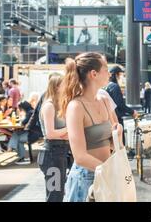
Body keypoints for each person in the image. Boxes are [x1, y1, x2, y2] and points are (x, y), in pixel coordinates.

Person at [60, 52, 122, 202]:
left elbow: (114, 145)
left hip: (105, 175)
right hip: (85, 180)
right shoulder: (76, 106)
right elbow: (80, 157)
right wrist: (107, 172)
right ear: (94, 74)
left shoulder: (104, 100)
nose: (109, 73)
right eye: (106, 69)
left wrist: (117, 134)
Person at [38, 73, 69, 202]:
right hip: (52, 154)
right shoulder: (49, 106)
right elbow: (50, 134)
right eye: (64, 84)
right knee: (54, 195)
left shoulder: (56, 105)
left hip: (58, 153)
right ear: (56, 87)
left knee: (57, 193)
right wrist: (70, 128)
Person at [105, 66, 137, 146]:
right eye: (121, 75)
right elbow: (120, 104)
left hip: (107, 119)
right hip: (116, 119)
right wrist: (132, 111)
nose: (122, 77)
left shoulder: (106, 86)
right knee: (119, 143)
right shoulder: (114, 87)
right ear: (116, 75)